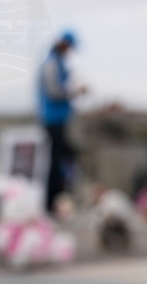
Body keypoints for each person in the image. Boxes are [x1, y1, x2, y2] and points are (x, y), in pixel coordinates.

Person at [37, 31, 86, 215]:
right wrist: (75, 92)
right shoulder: (51, 63)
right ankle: (51, 202)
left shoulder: (57, 62)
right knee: (57, 160)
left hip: (59, 119)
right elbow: (54, 91)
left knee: (63, 159)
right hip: (52, 120)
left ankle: (58, 200)